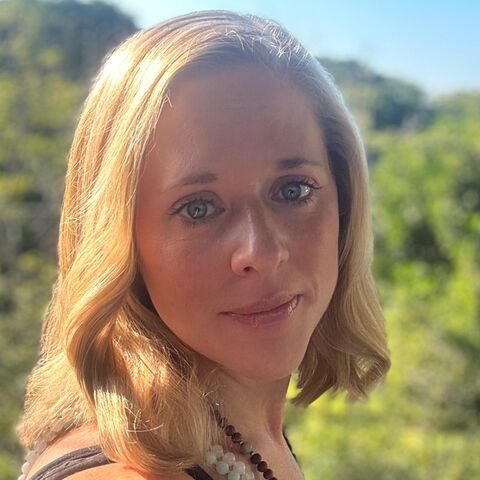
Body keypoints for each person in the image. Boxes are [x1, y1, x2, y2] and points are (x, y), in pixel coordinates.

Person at [16, 10, 390, 480]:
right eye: (197, 208)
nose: (261, 253)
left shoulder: (243, 437)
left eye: (293, 190)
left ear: (345, 203)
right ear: (120, 241)